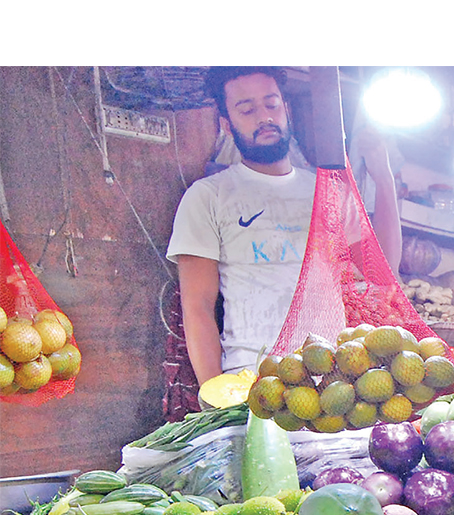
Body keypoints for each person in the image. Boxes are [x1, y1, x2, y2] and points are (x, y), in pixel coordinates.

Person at [167, 66, 403, 383]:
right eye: (247, 109)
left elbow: (382, 271)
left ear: (286, 110)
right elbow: (197, 308)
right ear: (227, 124)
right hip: (257, 383)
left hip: (336, 379)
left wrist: (384, 178)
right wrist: (215, 396)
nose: (264, 117)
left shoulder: (329, 191)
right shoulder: (208, 197)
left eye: (272, 104)